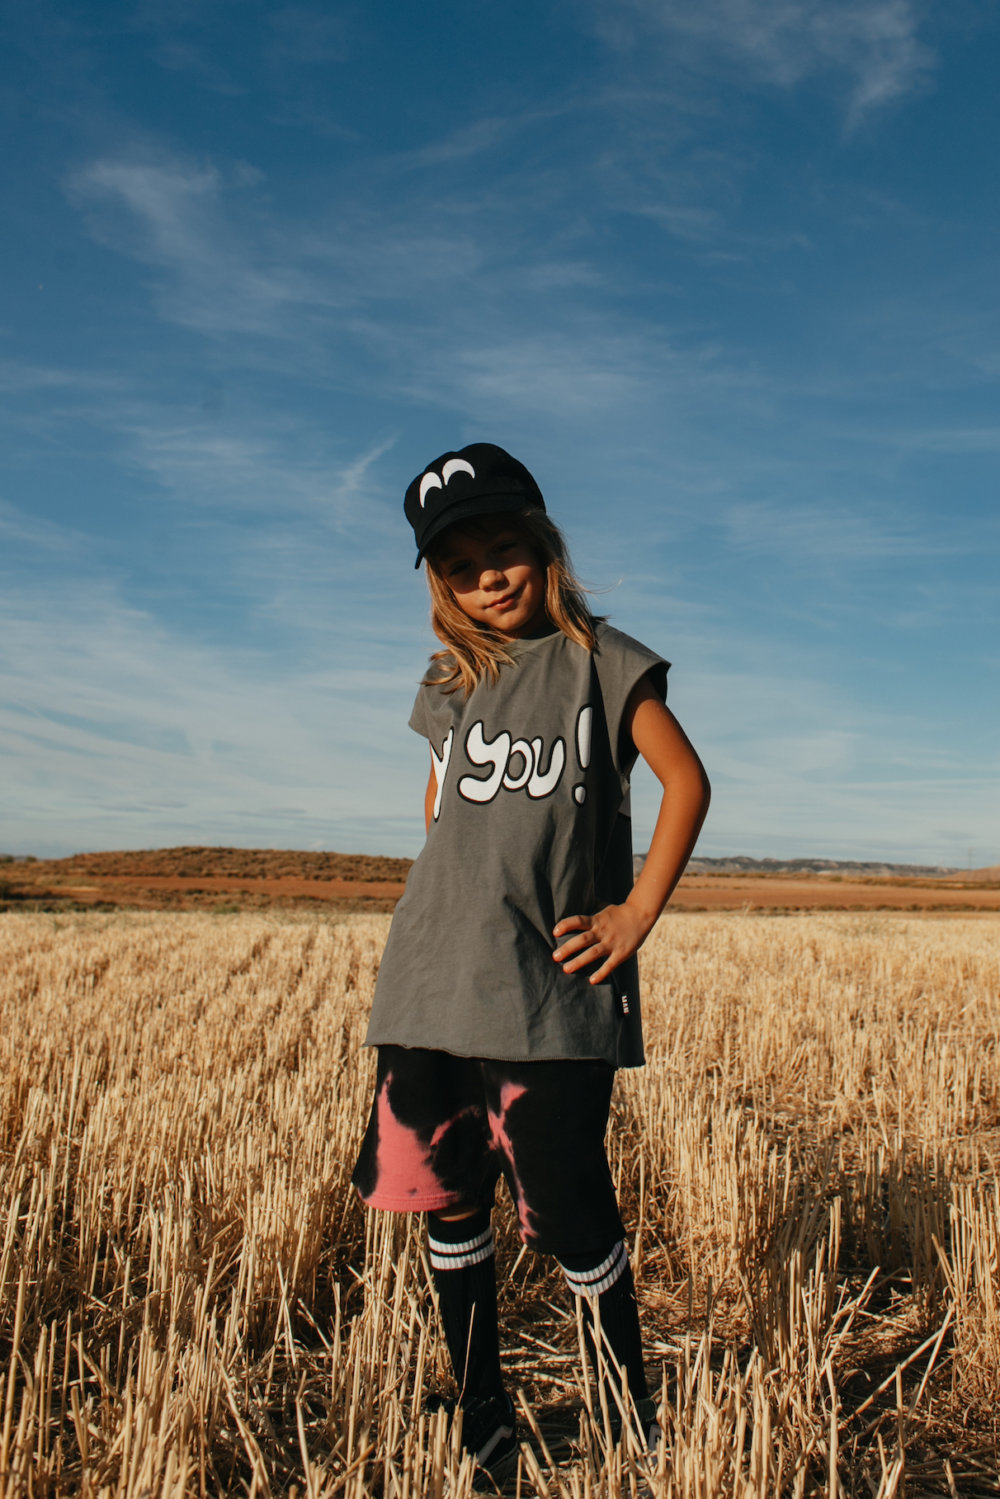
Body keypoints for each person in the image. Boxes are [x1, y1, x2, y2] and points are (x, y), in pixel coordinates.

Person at [352, 442, 710, 1484]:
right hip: (429, 984)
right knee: (447, 1200)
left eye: (505, 547)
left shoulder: (601, 659)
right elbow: (437, 809)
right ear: (438, 585)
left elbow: (686, 781)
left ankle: (622, 1411)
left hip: (548, 991)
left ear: (544, 546)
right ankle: (482, 1412)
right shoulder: (451, 677)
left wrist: (636, 909)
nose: (489, 575)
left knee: (568, 1206)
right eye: (461, 565)